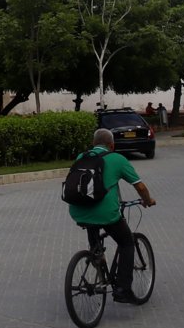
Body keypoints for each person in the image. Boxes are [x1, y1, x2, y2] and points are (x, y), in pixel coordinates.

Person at [67, 128, 156, 305]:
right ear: (112, 145)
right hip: (106, 213)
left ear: (93, 144)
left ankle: (97, 260)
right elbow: (140, 187)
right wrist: (148, 200)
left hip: (79, 211)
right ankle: (122, 289)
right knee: (126, 242)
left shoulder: (81, 157)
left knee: (95, 237)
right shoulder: (117, 159)